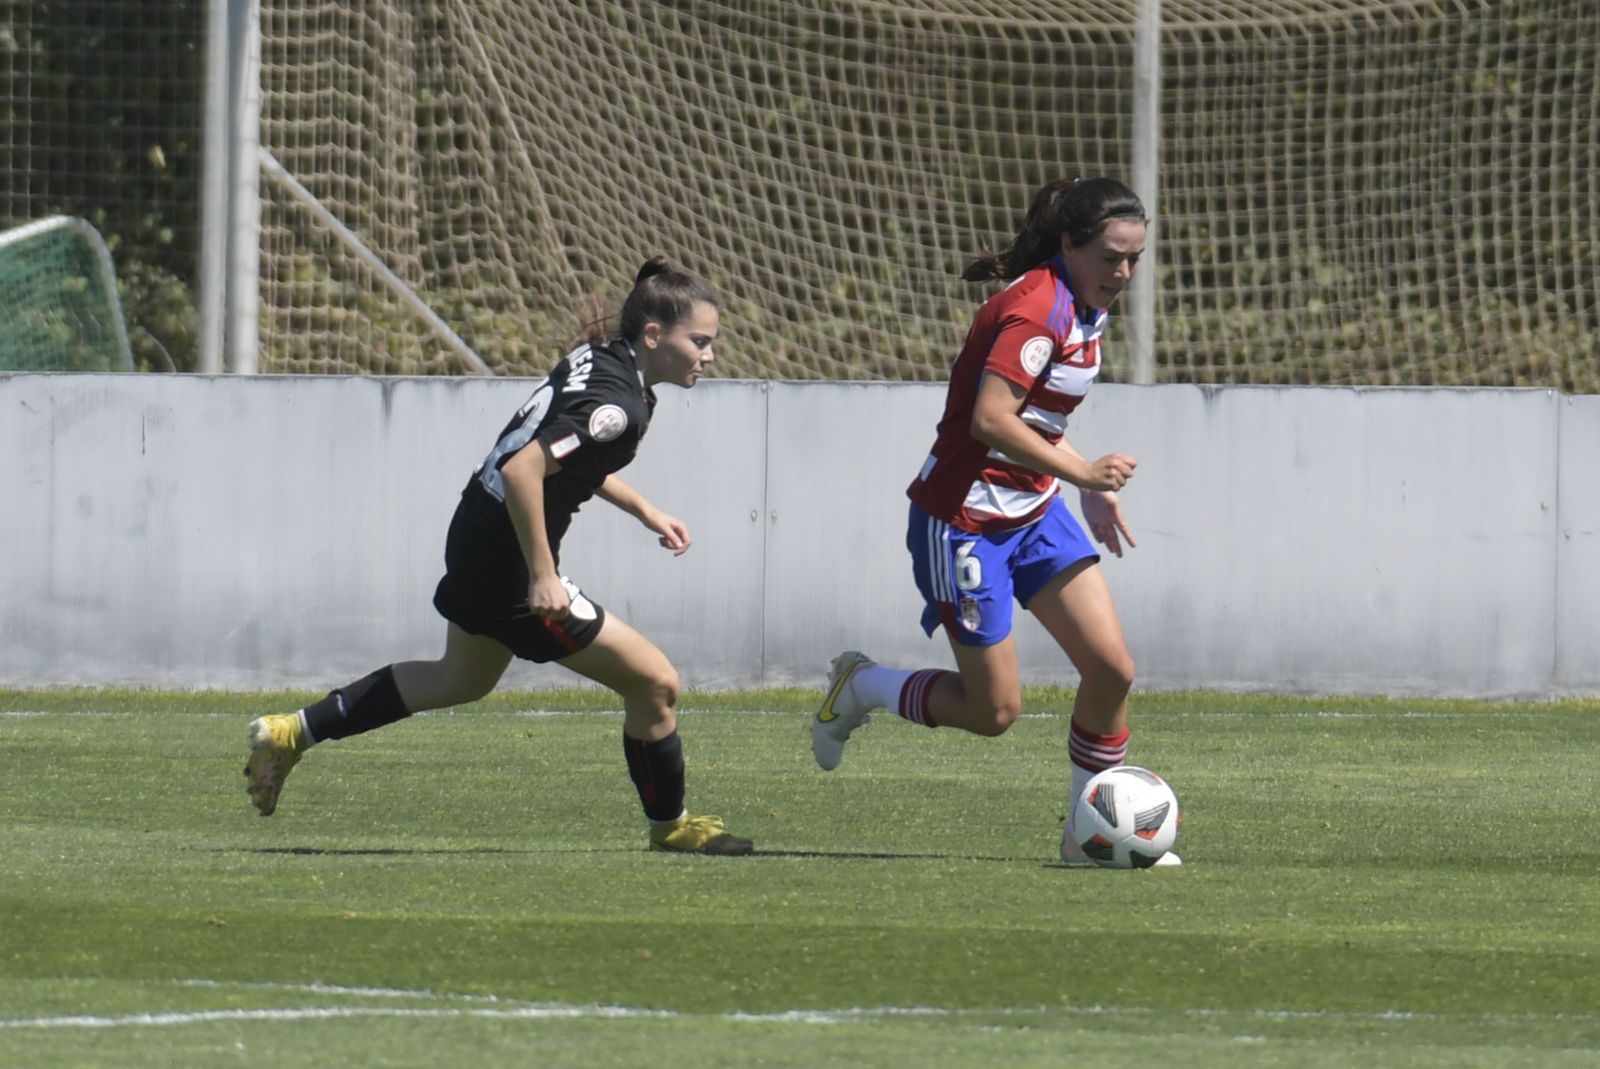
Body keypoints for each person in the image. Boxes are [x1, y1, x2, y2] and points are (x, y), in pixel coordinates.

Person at [245, 258, 753, 856]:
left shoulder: (606, 357)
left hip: (477, 528)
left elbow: (555, 456)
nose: (708, 355)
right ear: (653, 336)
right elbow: (524, 468)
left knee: (457, 678)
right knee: (655, 683)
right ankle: (671, 826)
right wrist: (542, 575)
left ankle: (290, 732)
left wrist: (643, 508)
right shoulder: (620, 406)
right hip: (507, 557)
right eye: (699, 341)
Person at [811, 177, 1178, 866]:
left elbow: (1035, 420)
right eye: (1111, 257)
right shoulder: (1037, 311)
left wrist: (1084, 482)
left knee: (1112, 669)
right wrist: (1085, 474)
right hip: (964, 521)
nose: (1123, 273)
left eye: (1134, 259)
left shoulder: (1082, 303)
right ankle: (860, 686)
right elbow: (989, 419)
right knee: (994, 712)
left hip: (1034, 510)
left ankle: (1085, 839)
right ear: (1070, 245)